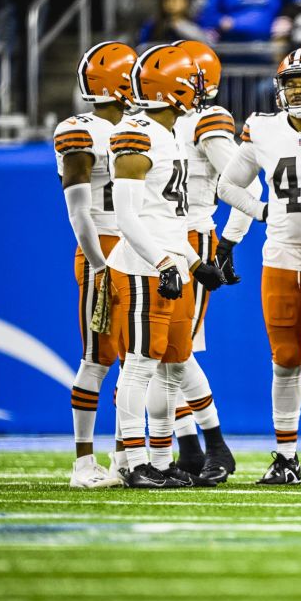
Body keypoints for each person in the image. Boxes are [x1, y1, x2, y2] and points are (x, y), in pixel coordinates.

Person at [216, 48, 301, 485]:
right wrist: (259, 212)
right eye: (290, 83)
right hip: (281, 258)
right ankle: (286, 456)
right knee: (286, 362)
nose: (297, 90)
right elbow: (227, 184)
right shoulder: (264, 129)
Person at [106, 44, 222, 489]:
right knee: (139, 364)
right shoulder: (135, 134)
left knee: (175, 361)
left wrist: (194, 262)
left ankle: (159, 459)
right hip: (141, 268)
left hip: (168, 261)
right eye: (190, 82)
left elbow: (166, 217)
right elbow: (127, 217)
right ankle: (135, 463)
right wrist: (162, 263)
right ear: (171, 88)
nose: (197, 91)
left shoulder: (166, 132)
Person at [166, 39, 257, 485]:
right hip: (157, 235)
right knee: (154, 353)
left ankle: (214, 445)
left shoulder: (206, 120)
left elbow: (244, 187)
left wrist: (227, 244)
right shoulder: (153, 122)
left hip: (190, 236)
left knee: (176, 351)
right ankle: (188, 450)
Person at [54, 41, 136, 489]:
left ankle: (124, 456)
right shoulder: (80, 132)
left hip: (138, 245)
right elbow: (78, 211)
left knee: (136, 359)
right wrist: (100, 263)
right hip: (103, 246)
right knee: (97, 357)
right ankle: (83, 462)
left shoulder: (141, 126)